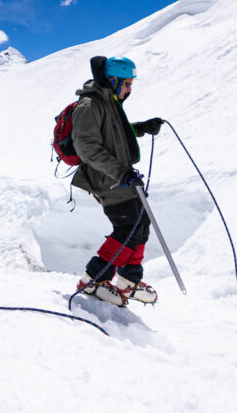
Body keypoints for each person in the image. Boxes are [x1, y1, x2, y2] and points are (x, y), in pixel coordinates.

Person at [70, 55, 164, 306]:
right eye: (127, 83)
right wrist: (120, 172)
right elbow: (86, 146)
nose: (129, 89)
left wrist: (142, 127)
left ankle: (128, 281)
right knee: (126, 230)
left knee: (140, 225)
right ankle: (93, 280)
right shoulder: (89, 105)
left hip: (120, 177)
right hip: (107, 179)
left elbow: (115, 132)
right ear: (113, 80)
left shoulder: (109, 102)